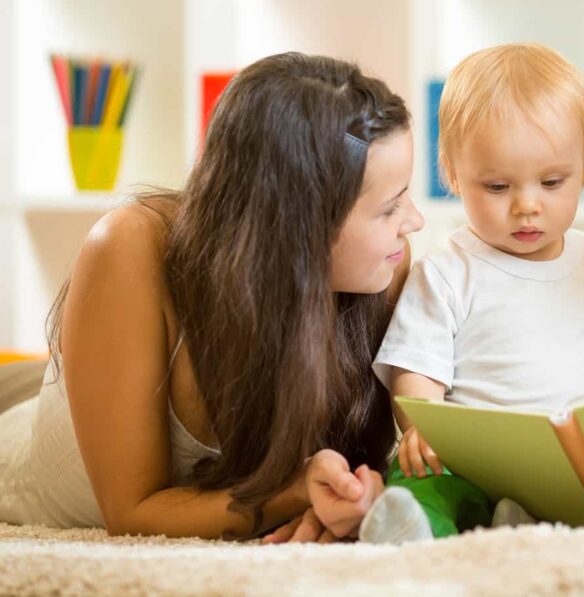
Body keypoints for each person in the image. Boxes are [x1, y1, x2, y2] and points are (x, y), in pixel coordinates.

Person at [0, 52, 425, 542]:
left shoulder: (383, 273)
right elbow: (131, 514)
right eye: (390, 207)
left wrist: (355, 494)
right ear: (301, 225)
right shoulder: (132, 248)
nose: (414, 221)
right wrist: (291, 494)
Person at [362, 43, 584, 543]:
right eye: (498, 187)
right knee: (424, 480)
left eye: (552, 182)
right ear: (454, 176)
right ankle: (418, 525)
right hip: (468, 454)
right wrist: (424, 424)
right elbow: (416, 368)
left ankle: (524, 520)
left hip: (573, 455)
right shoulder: (446, 272)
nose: (527, 206)